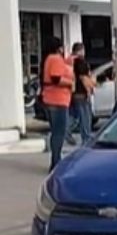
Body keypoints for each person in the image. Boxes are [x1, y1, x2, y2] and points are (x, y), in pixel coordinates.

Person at [40, 36, 74, 170]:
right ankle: (56, 161)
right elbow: (56, 78)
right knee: (59, 132)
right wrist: (70, 83)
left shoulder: (48, 59)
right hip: (58, 99)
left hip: (50, 98)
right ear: (59, 48)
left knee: (56, 131)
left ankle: (55, 159)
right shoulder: (55, 59)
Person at [66, 42, 94, 146]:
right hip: (81, 92)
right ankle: (86, 138)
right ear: (80, 50)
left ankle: (66, 130)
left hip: (72, 92)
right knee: (85, 117)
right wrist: (89, 89)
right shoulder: (80, 62)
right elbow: (83, 78)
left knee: (74, 115)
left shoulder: (69, 61)